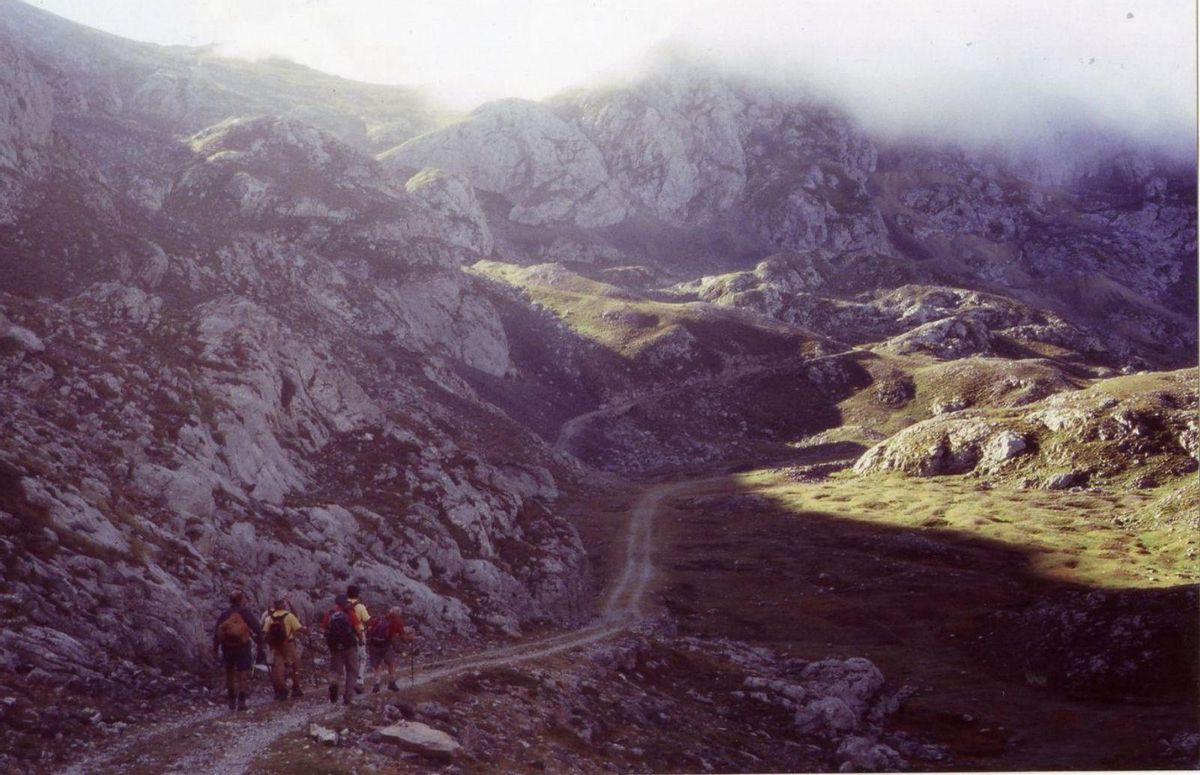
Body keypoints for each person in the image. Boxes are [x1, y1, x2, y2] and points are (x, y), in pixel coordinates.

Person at [212, 590, 263, 711]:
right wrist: (260, 643)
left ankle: (231, 699)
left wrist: (215, 648)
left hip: (227, 648)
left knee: (229, 673)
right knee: (242, 673)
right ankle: (242, 701)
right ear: (241, 600)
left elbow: (217, 632)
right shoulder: (245, 612)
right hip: (243, 647)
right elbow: (257, 628)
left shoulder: (224, 614)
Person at [321, 594, 361, 706]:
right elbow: (358, 629)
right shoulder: (350, 613)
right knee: (352, 670)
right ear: (345, 603)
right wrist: (361, 639)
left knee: (335, 670)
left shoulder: (329, 614)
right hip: (349, 646)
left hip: (334, 647)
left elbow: (324, 629)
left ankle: (333, 682)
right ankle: (348, 697)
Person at [261, 598, 304, 700]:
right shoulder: (289, 616)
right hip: (289, 645)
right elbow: (299, 628)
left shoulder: (269, 618)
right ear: (283, 606)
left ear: (275, 607)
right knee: (295, 666)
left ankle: (282, 690)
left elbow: (265, 633)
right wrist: (307, 631)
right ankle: (296, 688)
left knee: (278, 669)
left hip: (276, 646)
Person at [367, 606, 416, 693]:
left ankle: (377, 684)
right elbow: (402, 636)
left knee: (377, 665)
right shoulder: (397, 622)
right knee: (391, 664)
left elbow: (369, 629)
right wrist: (409, 640)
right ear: (398, 614)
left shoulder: (380, 618)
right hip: (386, 645)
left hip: (374, 645)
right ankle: (392, 682)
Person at [346, 584, 370, 687]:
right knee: (362, 657)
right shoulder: (360, 606)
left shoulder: (342, 605)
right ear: (358, 594)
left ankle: (348, 678)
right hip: (358, 632)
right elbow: (367, 620)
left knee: (348, 657)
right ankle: (359, 679)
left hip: (346, 634)